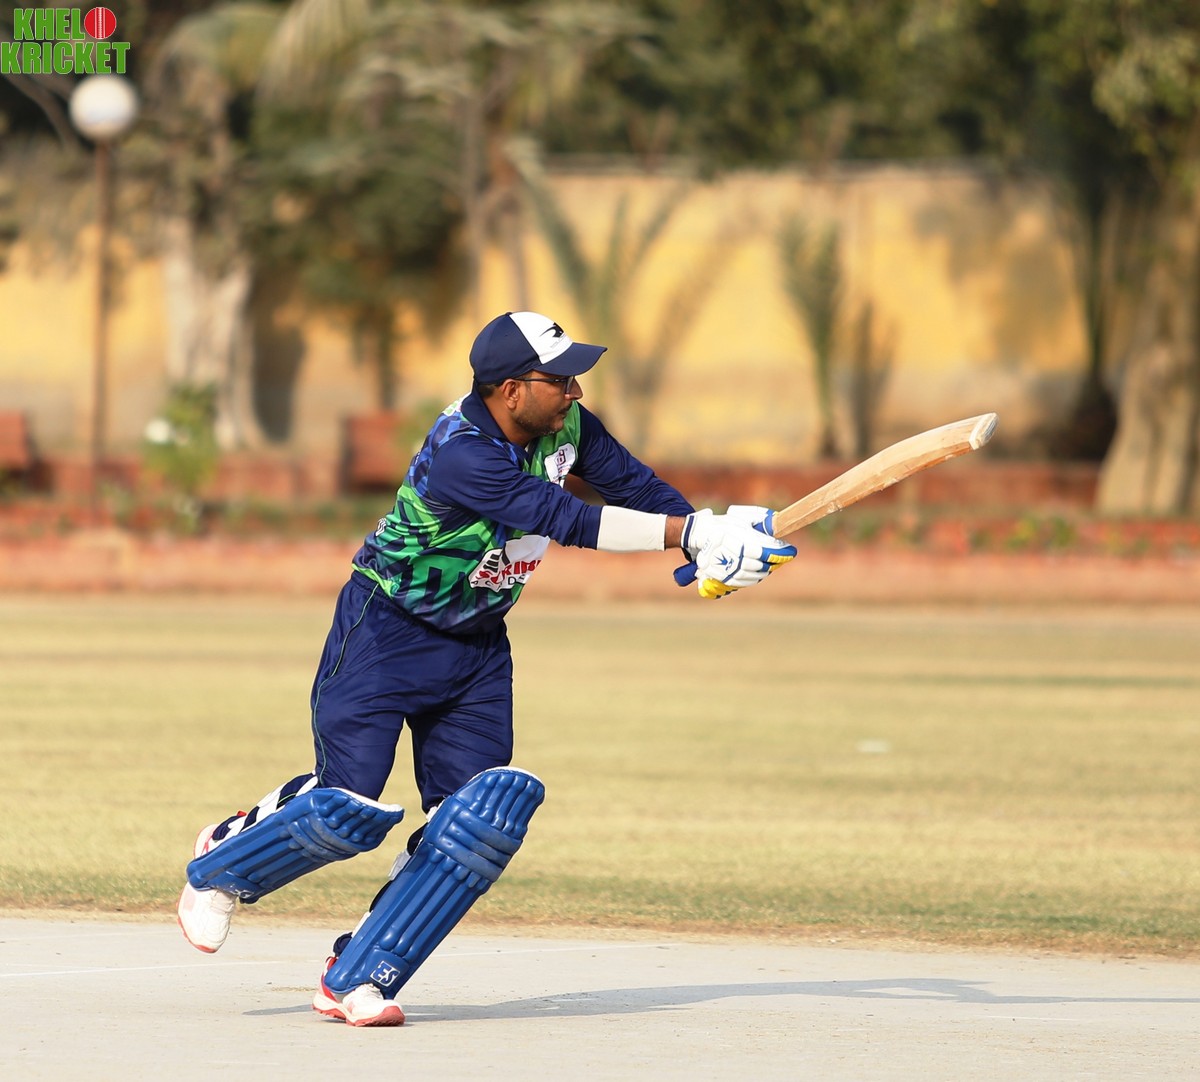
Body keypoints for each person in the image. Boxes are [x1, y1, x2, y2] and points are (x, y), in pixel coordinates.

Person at [177, 311, 796, 1027]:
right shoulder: (461, 452)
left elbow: (634, 487)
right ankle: (222, 863)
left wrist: (706, 545)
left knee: (473, 825)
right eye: (560, 379)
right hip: (385, 630)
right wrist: (693, 532)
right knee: (349, 805)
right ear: (510, 390)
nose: (575, 392)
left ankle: (358, 973)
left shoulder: (567, 427)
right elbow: (566, 519)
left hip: (476, 647)